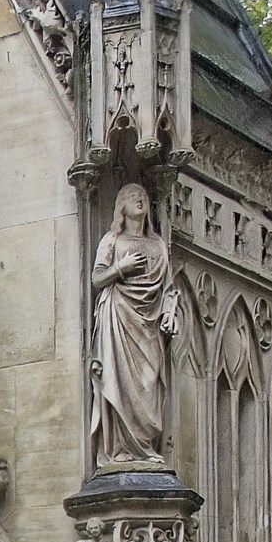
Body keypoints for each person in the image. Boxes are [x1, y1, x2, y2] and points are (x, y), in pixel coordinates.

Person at [89, 181, 172, 467]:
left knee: (149, 384)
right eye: (132, 196)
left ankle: (145, 446)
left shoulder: (158, 244)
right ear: (120, 207)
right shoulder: (112, 240)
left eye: (144, 196)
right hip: (119, 317)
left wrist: (171, 312)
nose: (140, 199)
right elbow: (97, 279)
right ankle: (121, 448)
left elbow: (169, 289)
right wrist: (119, 269)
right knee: (119, 380)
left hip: (149, 326)